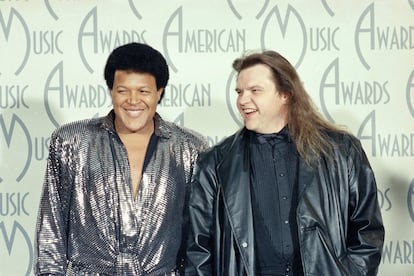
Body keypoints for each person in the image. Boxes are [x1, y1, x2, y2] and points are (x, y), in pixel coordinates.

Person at [185, 50, 384, 275]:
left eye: (255, 91)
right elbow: (198, 251)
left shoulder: (341, 150)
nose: (242, 100)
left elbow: (367, 232)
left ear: (285, 94)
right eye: (239, 92)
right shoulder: (215, 163)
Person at [34, 42, 209, 275]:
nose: (133, 100)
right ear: (111, 91)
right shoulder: (71, 142)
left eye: (144, 91)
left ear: (160, 92)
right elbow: (51, 231)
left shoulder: (190, 148)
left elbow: (199, 238)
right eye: (123, 90)